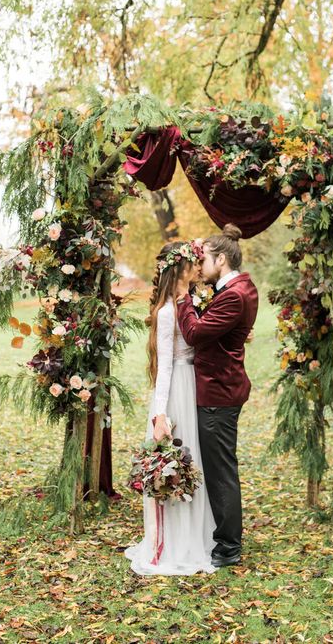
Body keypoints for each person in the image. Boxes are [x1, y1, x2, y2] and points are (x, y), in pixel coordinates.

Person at [124, 240, 216, 576]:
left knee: (196, 463)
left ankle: (197, 536)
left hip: (195, 387)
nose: (197, 267)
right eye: (192, 262)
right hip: (176, 388)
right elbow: (165, 366)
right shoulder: (166, 312)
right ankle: (172, 542)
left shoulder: (192, 302)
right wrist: (159, 416)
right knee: (176, 460)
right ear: (179, 268)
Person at [174, 223, 259, 568]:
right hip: (220, 386)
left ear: (221, 259)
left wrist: (183, 300)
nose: (200, 267)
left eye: (205, 259)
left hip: (218, 392)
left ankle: (228, 546)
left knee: (220, 469)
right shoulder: (236, 289)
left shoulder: (235, 295)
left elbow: (194, 332)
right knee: (220, 466)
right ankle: (224, 537)